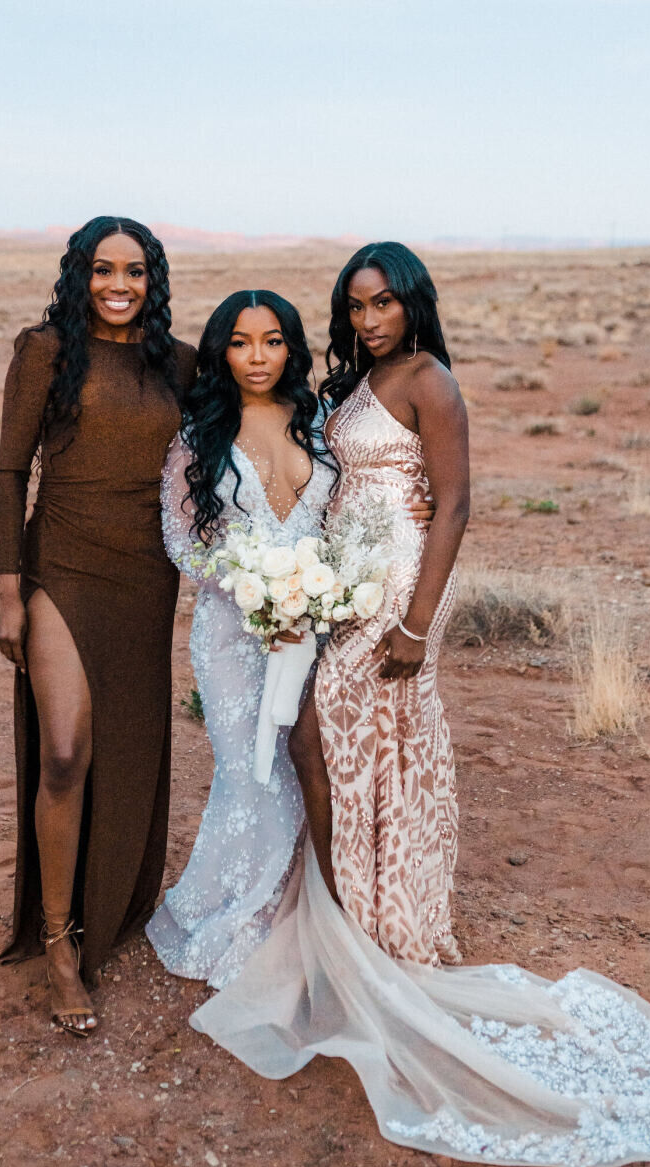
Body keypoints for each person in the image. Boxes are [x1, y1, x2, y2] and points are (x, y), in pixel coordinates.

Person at [189, 243, 650, 1167]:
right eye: (355, 307)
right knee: (336, 741)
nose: (368, 320)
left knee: (355, 731)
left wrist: (418, 624)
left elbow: (455, 506)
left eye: (383, 304)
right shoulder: (356, 382)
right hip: (346, 578)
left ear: (414, 304)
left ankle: (378, 928)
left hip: (404, 583)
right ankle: (353, 921)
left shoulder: (430, 381)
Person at [148, 289, 433, 986]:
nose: (256, 357)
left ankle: (312, 911)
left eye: (272, 341)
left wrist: (410, 502)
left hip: (319, 630)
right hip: (232, 633)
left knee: (311, 763)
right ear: (220, 351)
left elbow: (370, 488)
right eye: (240, 343)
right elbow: (181, 541)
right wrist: (256, 590)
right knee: (249, 769)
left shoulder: (322, 422)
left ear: (291, 348)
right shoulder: (196, 436)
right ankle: (243, 913)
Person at [0, 216, 196, 1036]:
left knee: (127, 741)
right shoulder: (43, 350)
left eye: (136, 271)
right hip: (61, 567)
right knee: (67, 747)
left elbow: (251, 426)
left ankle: (111, 898)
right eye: (103, 269)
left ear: (154, 278)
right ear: (80, 275)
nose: (120, 285)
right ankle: (57, 943)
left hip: (146, 577)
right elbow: (11, 472)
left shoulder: (178, 365)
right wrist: (9, 591)